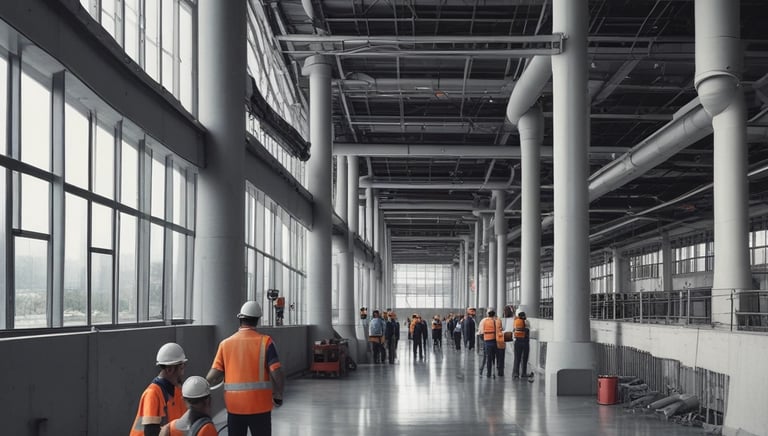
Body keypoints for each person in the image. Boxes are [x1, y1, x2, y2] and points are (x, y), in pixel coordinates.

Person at [207, 301, 285, 436]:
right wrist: (278, 395)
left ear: (240, 318)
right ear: (258, 320)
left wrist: (201, 388)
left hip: (234, 407)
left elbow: (213, 377)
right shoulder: (266, 342)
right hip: (261, 407)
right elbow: (276, 373)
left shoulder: (225, 344)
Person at [130, 342, 188, 436]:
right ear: (169, 370)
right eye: (181, 368)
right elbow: (151, 433)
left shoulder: (177, 391)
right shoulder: (152, 394)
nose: (183, 373)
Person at [478, 309, 503, 378]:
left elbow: (481, 332)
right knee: (496, 357)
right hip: (496, 341)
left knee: (488, 358)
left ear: (488, 314)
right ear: (494, 315)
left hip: (487, 341)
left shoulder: (484, 321)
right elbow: (500, 331)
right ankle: (497, 372)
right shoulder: (498, 321)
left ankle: (488, 373)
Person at [512, 311, 531, 379]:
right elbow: (528, 329)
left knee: (517, 358)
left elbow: (514, 330)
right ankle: (523, 373)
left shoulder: (515, 322)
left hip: (517, 341)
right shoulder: (526, 322)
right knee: (524, 358)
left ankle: (515, 373)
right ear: (523, 316)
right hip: (525, 342)